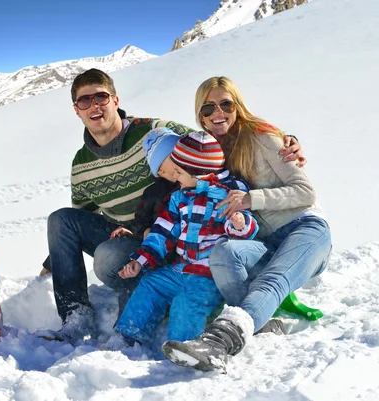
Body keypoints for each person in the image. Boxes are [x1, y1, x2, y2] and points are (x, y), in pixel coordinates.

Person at [42, 69, 304, 343]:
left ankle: (160, 309)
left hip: (174, 230)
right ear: (76, 110)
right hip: (141, 233)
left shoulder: (153, 129)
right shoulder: (81, 164)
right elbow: (82, 217)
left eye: (101, 97)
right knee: (61, 219)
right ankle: (76, 317)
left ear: (115, 100)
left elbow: (210, 140)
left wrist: (281, 139)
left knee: (110, 256)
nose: (94, 105)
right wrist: (55, 261)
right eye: (85, 101)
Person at [161, 76, 332, 372]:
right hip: (265, 239)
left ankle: (220, 341)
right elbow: (164, 137)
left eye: (226, 104)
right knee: (224, 254)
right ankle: (262, 322)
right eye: (208, 107)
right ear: (199, 115)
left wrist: (251, 198)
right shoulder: (211, 148)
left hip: (305, 228)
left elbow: (306, 192)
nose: (218, 112)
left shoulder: (263, 138)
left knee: (272, 280)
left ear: (237, 106)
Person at [114, 128, 259, 346]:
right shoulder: (179, 198)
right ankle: (128, 335)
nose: (175, 177)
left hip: (209, 275)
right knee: (151, 283)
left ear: (198, 172)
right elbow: (162, 232)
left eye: (179, 173)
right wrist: (140, 260)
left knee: (187, 302)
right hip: (180, 268)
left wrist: (240, 223)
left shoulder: (230, 192)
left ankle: (183, 347)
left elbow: (246, 228)